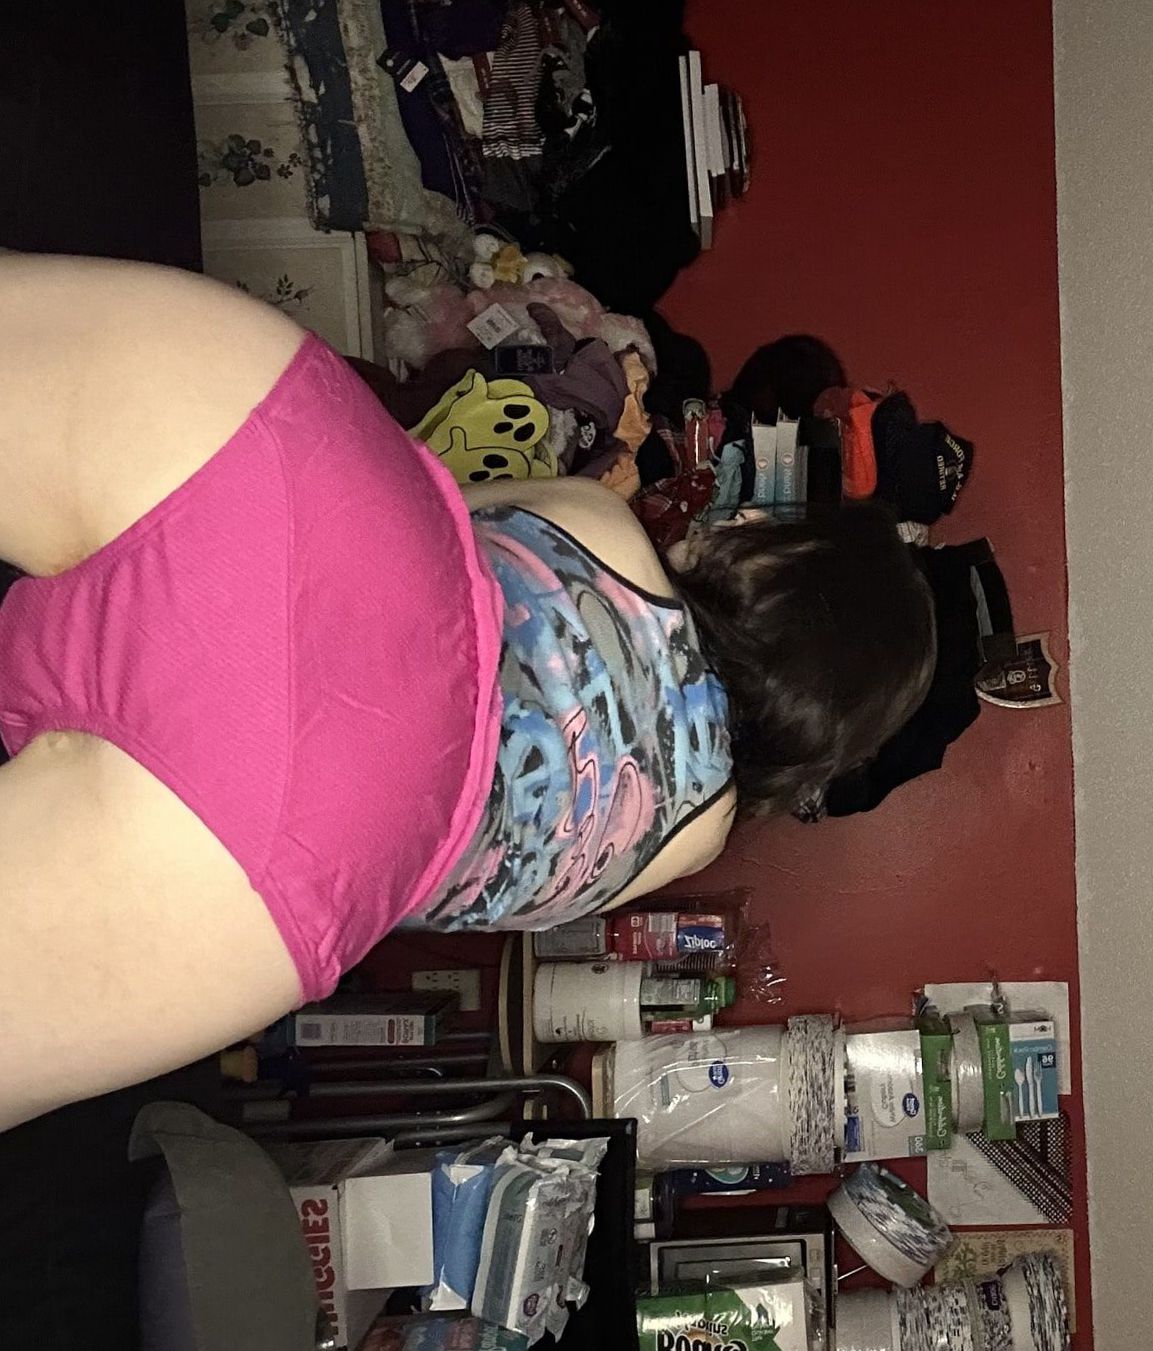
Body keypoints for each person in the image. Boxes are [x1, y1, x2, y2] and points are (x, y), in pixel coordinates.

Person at [0, 255, 935, 1131]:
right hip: (310, 838)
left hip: (294, 490)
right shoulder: (697, 835)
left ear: (773, 558)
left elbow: (446, 516)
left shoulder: (604, 520)